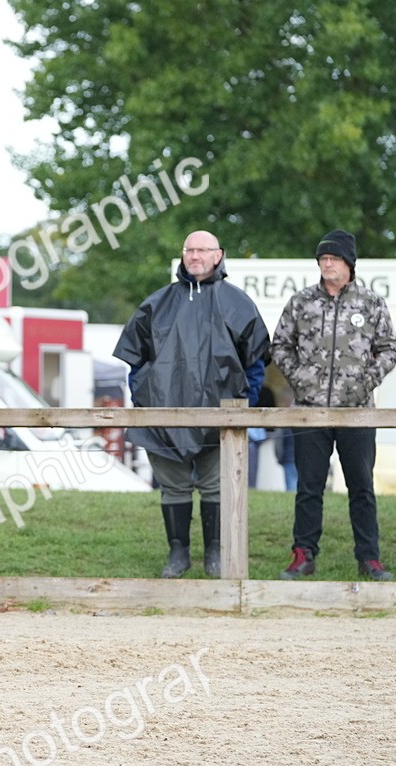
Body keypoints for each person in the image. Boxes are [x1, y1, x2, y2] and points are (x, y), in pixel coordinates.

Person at [113, 231, 269, 579]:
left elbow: (256, 362)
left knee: (216, 485)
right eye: (189, 249)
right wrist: (145, 398)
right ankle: (178, 553)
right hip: (165, 419)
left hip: (220, 418)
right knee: (174, 486)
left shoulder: (237, 303)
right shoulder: (158, 303)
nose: (195, 255)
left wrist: (244, 404)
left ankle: (215, 552)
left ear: (219, 255)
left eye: (202, 249)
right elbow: (135, 361)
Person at [271, 229, 396, 581]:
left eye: (334, 258)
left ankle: (369, 559)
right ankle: (303, 554)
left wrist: (365, 381)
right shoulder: (301, 302)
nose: (327, 263)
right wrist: (302, 379)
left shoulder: (370, 303)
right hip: (310, 410)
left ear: (349, 264)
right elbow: (280, 345)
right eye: (322, 259)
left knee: (361, 486)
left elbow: (390, 349)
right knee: (308, 487)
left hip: (357, 411)